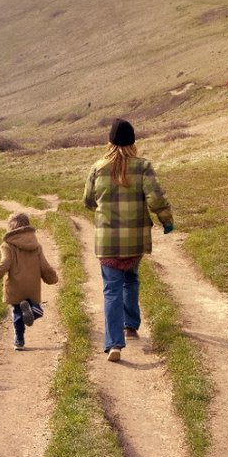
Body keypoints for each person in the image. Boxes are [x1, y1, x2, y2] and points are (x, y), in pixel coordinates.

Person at [83, 118, 174, 362]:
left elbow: (88, 201)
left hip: (108, 241)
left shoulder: (97, 168)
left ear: (110, 141)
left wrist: (104, 208)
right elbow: (156, 198)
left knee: (111, 289)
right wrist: (166, 220)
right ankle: (131, 325)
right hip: (134, 240)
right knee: (131, 278)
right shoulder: (143, 166)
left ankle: (114, 344)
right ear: (133, 142)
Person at [0, 212, 59, 350]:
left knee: (17, 313)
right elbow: (44, 266)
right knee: (31, 308)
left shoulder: (7, 245)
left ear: (10, 228)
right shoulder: (36, 245)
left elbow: (3, 265)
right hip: (32, 288)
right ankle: (36, 311)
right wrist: (52, 277)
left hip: (16, 287)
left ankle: (19, 341)